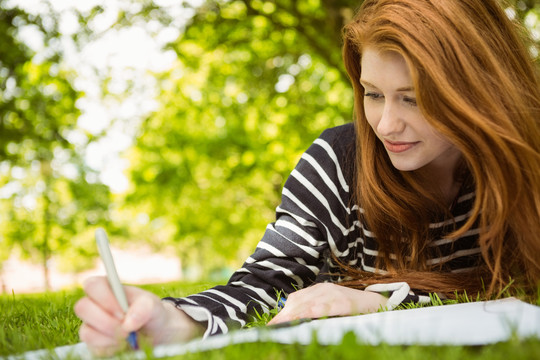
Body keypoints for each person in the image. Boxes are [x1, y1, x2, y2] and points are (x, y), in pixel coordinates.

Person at [74, 0, 540, 355]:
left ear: (477, 89)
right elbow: (266, 282)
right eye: (373, 94)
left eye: (413, 99)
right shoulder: (336, 163)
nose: (385, 125)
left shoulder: (524, 159)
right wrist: (175, 320)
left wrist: (379, 301)